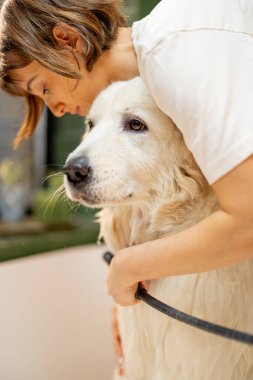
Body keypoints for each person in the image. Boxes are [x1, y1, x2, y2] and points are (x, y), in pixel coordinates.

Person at [1, 0, 253, 308]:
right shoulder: (161, 62)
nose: (56, 109)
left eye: (44, 88)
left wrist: (130, 267)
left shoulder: (173, 50)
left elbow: (248, 221)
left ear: (68, 40)